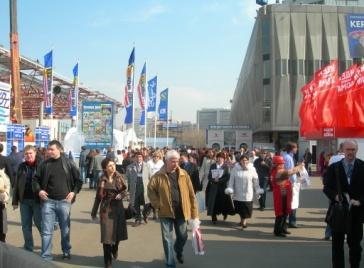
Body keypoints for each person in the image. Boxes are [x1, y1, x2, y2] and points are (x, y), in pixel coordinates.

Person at [32, 140, 82, 261]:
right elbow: (35, 180)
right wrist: (39, 190)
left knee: (65, 229)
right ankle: (46, 255)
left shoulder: (69, 163)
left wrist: (73, 192)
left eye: (52, 149)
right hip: (48, 202)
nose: (49, 151)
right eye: (48, 149)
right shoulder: (44, 164)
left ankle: (66, 251)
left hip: (64, 202)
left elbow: (78, 180)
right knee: (47, 230)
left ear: (59, 149)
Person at [147, 150, 198, 267]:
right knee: (167, 239)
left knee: (183, 236)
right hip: (165, 212)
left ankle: (178, 250)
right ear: (166, 161)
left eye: (177, 161)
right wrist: (157, 204)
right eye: (173, 161)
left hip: (181, 211)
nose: (176, 164)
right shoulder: (158, 176)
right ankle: (170, 263)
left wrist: (194, 214)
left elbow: (191, 194)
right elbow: (150, 191)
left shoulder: (184, 174)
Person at [323, 140, 364, 268]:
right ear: (343, 150)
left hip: (356, 213)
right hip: (338, 212)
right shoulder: (334, 167)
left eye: (353, 150)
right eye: (348, 149)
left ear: (356, 151)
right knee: (337, 246)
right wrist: (335, 195)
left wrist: (360, 201)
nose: (350, 152)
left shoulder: (362, 166)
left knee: (356, 246)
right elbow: (326, 187)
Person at [91, 158, 128, 268]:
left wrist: (121, 195)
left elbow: (125, 191)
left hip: (118, 209)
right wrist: (93, 212)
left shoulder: (120, 177)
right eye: (110, 165)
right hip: (106, 209)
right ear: (105, 168)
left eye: (113, 165)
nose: (113, 167)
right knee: (106, 236)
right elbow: (98, 197)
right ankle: (107, 262)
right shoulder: (102, 180)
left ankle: (115, 248)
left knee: (117, 234)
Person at [12, 145, 42, 251]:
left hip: (38, 201)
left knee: (40, 224)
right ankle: (29, 247)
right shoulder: (21, 166)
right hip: (24, 201)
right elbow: (16, 185)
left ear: (35, 153)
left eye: (30, 153)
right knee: (25, 226)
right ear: (24, 155)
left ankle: (46, 245)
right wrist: (15, 201)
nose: (28, 155)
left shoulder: (41, 166)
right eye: (26, 153)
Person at [271, 155, 303, 237]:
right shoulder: (278, 172)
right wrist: (300, 166)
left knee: (285, 212)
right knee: (280, 214)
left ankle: (283, 228)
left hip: (283, 194)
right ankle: (278, 231)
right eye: (281, 163)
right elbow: (291, 171)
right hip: (280, 196)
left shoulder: (277, 170)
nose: (283, 165)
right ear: (278, 164)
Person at [227, 154, 262, 229]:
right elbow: (231, 180)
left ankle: (244, 222)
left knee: (246, 208)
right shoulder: (235, 169)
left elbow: (256, 180)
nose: (244, 161)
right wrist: (230, 188)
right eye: (242, 160)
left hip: (248, 192)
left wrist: (257, 189)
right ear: (240, 161)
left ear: (248, 161)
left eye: (246, 160)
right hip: (238, 193)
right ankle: (242, 220)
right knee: (239, 208)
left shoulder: (252, 169)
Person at [206, 152, 235, 224]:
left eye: (221, 158)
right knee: (213, 202)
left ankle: (225, 214)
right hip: (213, 187)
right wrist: (213, 180)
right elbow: (209, 176)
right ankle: (213, 217)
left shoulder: (226, 166)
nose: (219, 159)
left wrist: (219, 180)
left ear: (224, 159)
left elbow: (227, 177)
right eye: (218, 157)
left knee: (223, 202)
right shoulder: (213, 166)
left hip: (223, 187)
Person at [125, 152, 150, 226]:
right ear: (134, 158)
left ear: (142, 158)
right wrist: (126, 189)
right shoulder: (130, 167)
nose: (138, 158)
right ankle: (137, 219)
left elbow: (151, 177)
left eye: (140, 157)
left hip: (145, 188)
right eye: (137, 157)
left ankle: (145, 214)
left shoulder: (147, 166)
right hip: (134, 188)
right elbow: (126, 179)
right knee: (136, 204)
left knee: (147, 204)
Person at [282, 142, 300, 228]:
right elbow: (290, 172)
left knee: (289, 202)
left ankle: (288, 220)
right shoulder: (288, 158)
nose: (297, 149)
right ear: (291, 149)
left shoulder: (288, 157)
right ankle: (292, 221)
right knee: (293, 202)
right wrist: (299, 168)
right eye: (295, 148)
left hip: (287, 183)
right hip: (290, 183)